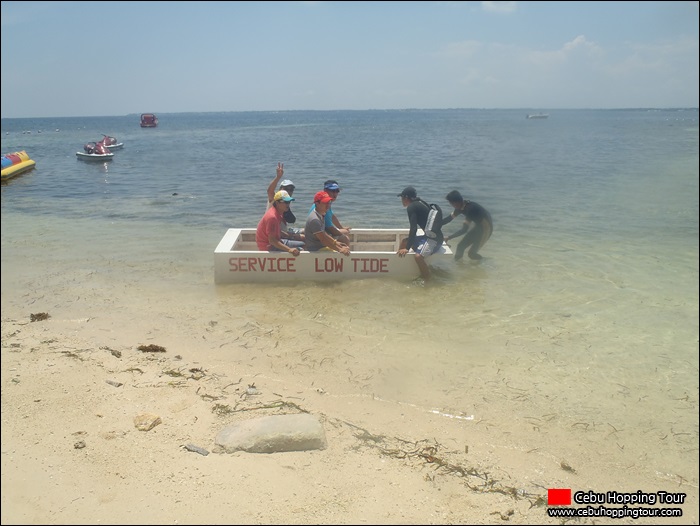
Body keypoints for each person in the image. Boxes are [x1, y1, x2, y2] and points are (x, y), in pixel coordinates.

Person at [396, 186, 444, 281]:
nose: (401, 200)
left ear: (406, 198)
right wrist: (407, 246)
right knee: (404, 241)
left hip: (434, 239)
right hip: (431, 236)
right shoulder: (421, 202)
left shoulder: (411, 207)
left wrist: (407, 248)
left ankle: (427, 279)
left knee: (418, 257)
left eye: (402, 198)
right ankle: (398, 264)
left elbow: (413, 228)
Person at [441, 190, 493, 261]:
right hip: (478, 227)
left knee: (471, 254)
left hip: (486, 229)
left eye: (451, 203)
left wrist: (448, 237)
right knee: (460, 246)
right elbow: (448, 219)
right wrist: (436, 224)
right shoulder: (460, 207)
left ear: (456, 203)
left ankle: (485, 263)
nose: (451, 205)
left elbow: (464, 230)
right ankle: (458, 265)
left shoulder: (470, 209)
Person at [255, 190, 305, 255]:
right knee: (303, 246)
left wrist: (291, 236)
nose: (288, 204)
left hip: (275, 241)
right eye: (286, 202)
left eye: (289, 202)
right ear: (277, 203)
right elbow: (272, 241)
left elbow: (276, 231)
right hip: (268, 247)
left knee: (302, 239)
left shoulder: (278, 213)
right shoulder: (272, 217)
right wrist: (289, 249)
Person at [304, 191, 351, 256]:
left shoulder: (321, 214)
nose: (328, 205)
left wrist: (335, 242)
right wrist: (339, 249)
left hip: (321, 246)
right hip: (316, 249)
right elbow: (323, 239)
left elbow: (323, 234)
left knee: (344, 247)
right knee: (341, 253)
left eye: (329, 203)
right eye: (325, 203)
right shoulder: (315, 219)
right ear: (317, 203)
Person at [309, 180, 351, 245]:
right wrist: (343, 232)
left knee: (344, 233)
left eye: (337, 191)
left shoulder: (328, 204)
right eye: (332, 191)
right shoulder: (322, 206)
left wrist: (341, 228)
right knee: (345, 237)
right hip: (318, 237)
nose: (335, 194)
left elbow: (332, 216)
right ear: (325, 191)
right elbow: (330, 228)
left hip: (324, 232)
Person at [266, 162, 302, 237]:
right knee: (303, 238)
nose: (288, 191)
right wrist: (278, 177)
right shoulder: (276, 198)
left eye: (291, 189)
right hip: (278, 233)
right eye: (286, 188)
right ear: (280, 189)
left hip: (284, 230)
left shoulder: (288, 201)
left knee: (306, 231)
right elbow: (269, 191)